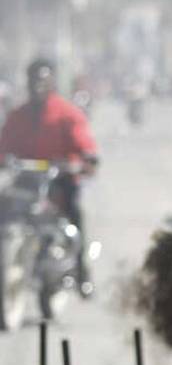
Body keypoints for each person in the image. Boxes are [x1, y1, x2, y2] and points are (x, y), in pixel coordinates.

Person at [0, 58, 100, 295]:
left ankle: (82, 271)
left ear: (52, 82)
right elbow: (4, 145)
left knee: (74, 215)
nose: (38, 85)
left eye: (43, 80)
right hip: (26, 180)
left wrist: (85, 159)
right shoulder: (17, 116)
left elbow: (84, 144)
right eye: (34, 80)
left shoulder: (67, 114)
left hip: (59, 180)